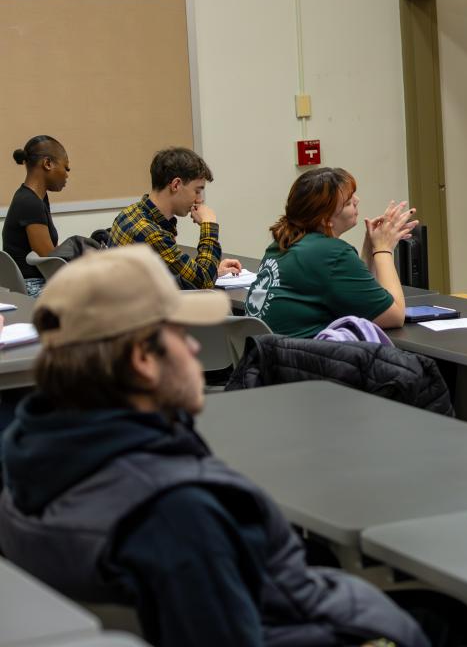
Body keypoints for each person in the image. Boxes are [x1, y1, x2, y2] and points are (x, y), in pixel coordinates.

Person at [0, 245, 429, 647]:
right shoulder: (179, 513)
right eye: (179, 333)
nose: (193, 347)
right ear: (143, 360)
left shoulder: (30, 465)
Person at [244, 167, 417, 338]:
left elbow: (356, 294)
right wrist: (383, 249)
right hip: (302, 354)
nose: (357, 200)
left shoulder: (282, 244)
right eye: (348, 202)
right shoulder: (332, 254)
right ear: (326, 220)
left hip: (267, 353)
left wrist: (370, 246)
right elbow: (395, 316)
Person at [109, 147, 241, 290]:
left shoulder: (130, 213)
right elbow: (204, 283)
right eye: (197, 191)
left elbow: (171, 275)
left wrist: (213, 271)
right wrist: (209, 225)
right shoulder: (151, 233)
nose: (199, 200)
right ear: (176, 185)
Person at [3, 136, 69, 297]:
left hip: (34, 284)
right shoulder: (30, 203)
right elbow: (51, 263)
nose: (67, 175)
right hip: (33, 288)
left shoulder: (34, 198)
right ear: (48, 164)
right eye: (66, 168)